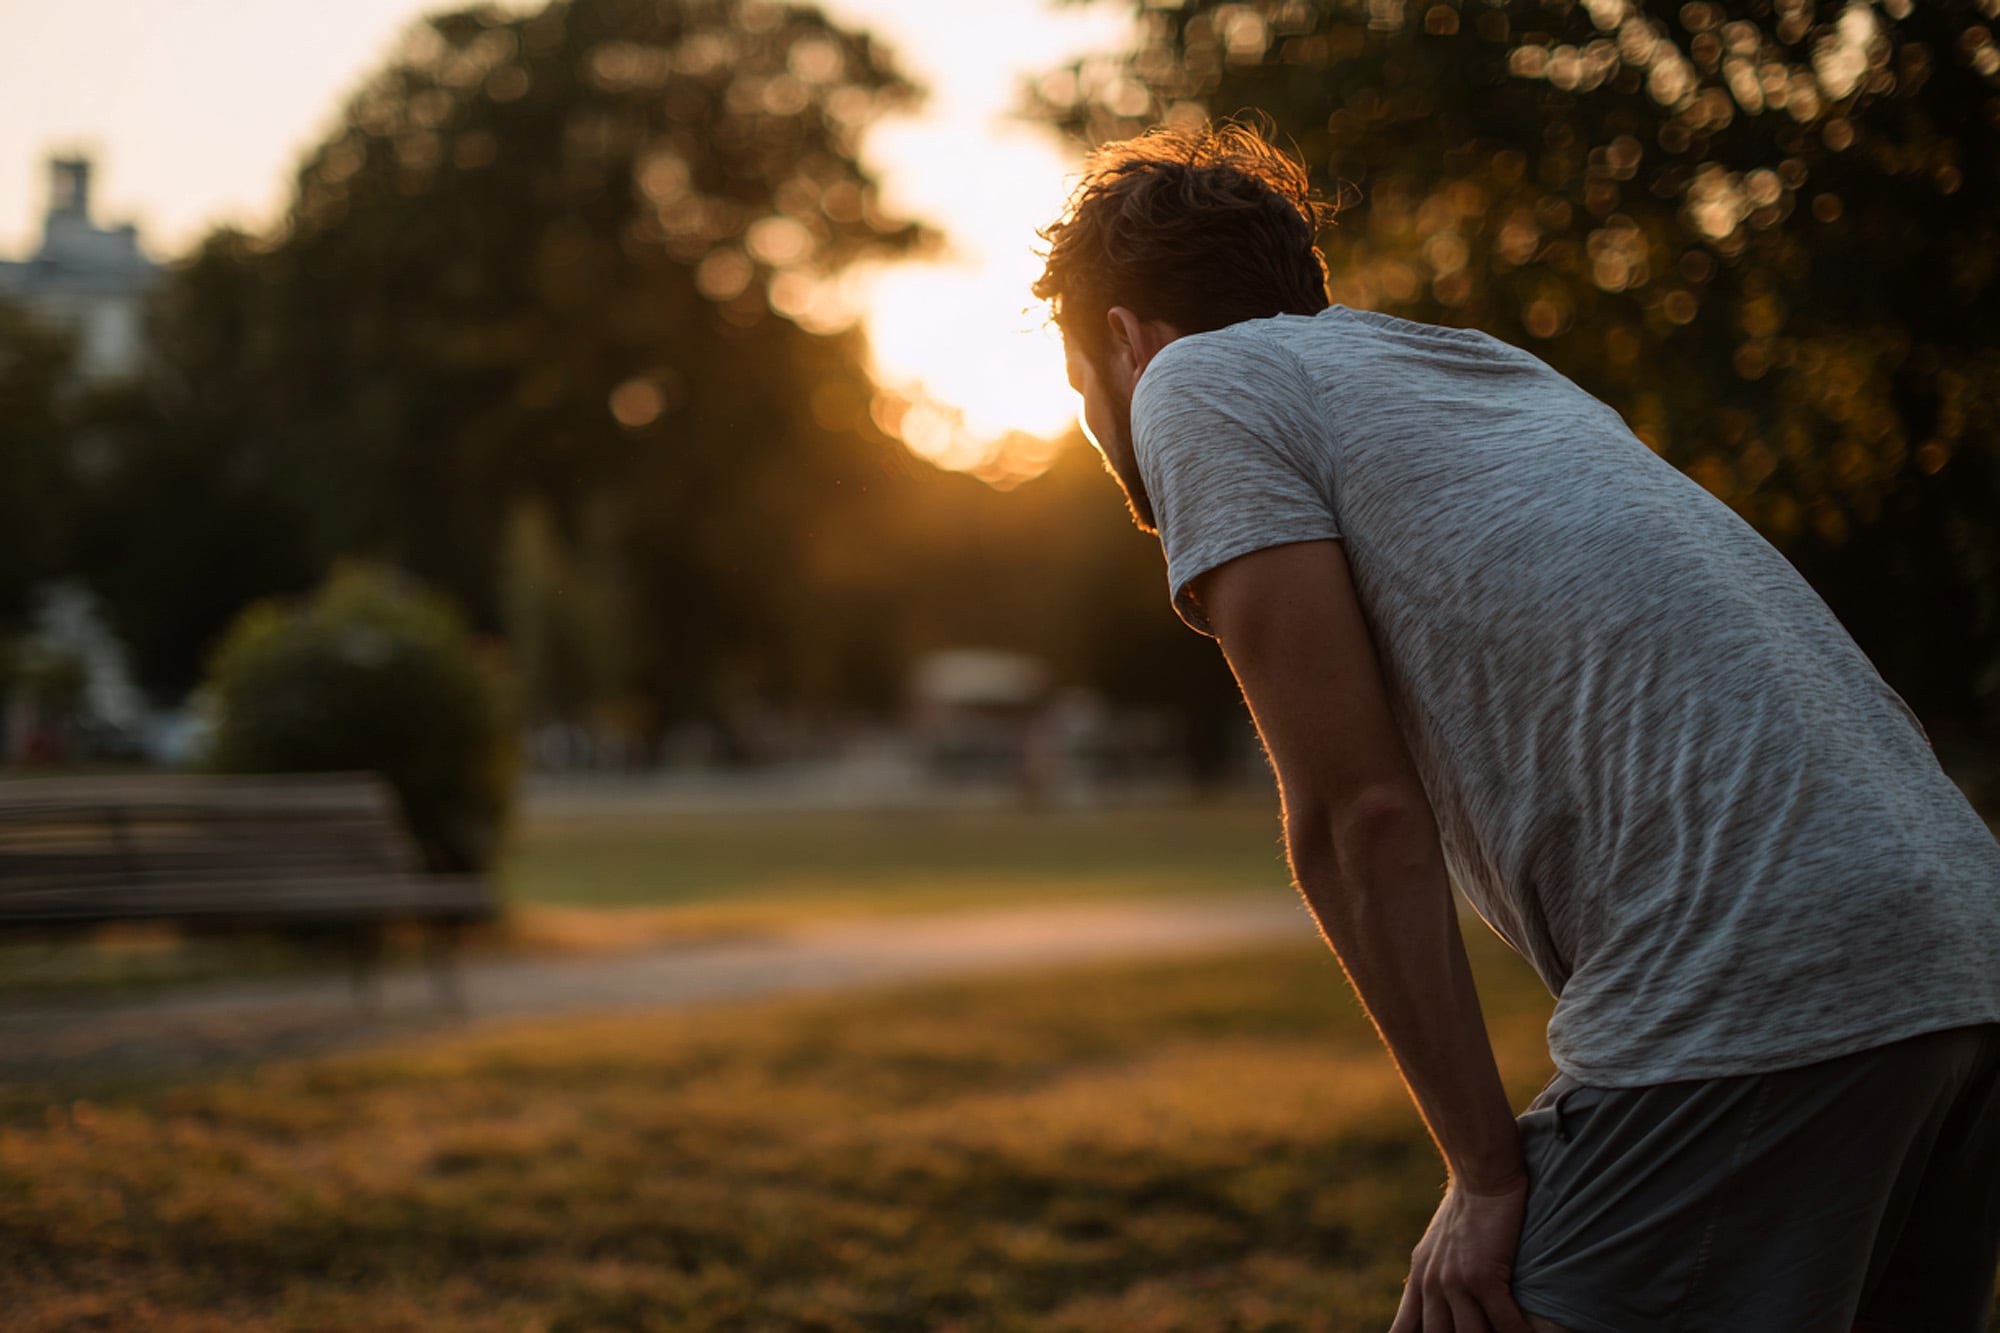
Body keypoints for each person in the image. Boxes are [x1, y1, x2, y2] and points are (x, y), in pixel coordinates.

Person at [1032, 121, 2000, 1333]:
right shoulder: (1481, 370)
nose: (1096, 421)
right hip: (1963, 946)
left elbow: (1354, 817)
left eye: (1079, 388)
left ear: (1121, 341)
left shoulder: (1192, 380)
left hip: (1758, 965)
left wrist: (1484, 1172)